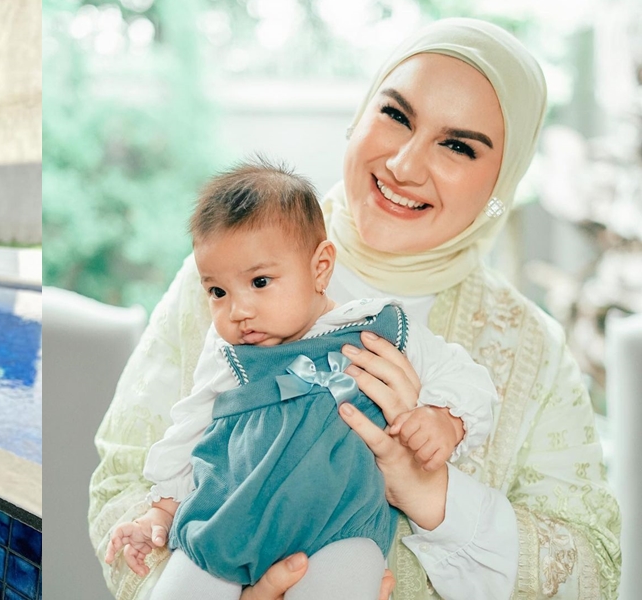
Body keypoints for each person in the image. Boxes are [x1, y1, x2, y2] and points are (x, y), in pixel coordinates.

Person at [90, 18, 622, 600]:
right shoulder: (231, 275)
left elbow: (593, 571)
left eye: (458, 145)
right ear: (360, 114)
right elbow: (124, 477)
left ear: (503, 184)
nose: (404, 165)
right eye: (396, 115)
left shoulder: (529, 347)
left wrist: (432, 494)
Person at [103, 161, 496, 600]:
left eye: (260, 281)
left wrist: (443, 418)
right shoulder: (230, 356)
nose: (237, 310)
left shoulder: (378, 327)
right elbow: (188, 430)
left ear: (320, 267)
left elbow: (467, 378)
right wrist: (160, 513)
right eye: (218, 291)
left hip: (341, 530)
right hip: (229, 521)